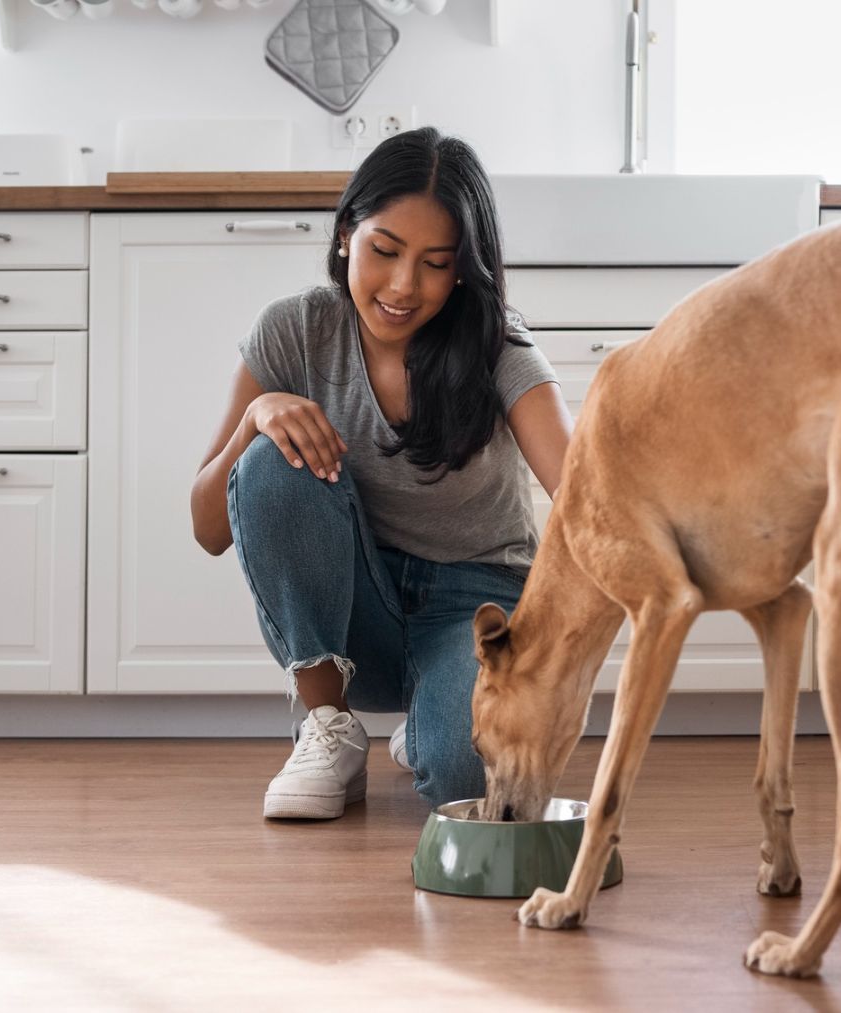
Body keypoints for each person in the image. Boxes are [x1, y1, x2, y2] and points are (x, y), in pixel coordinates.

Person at [188, 127, 573, 820]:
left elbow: (584, 498)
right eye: (384, 251)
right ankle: (328, 727)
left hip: (476, 602)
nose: (403, 286)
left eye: (435, 263)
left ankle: (431, 722)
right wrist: (255, 420)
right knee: (271, 456)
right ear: (345, 236)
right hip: (352, 609)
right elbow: (208, 530)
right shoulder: (295, 330)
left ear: (464, 269)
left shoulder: (499, 346)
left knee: (466, 777)